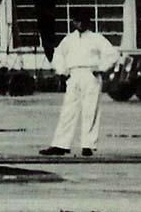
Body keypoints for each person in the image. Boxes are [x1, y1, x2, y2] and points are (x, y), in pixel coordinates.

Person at [40, 8, 120, 157]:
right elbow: (58, 55)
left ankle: (88, 145)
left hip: (90, 74)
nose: (80, 24)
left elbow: (113, 54)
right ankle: (60, 144)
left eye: (83, 21)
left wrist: (101, 68)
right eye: (77, 21)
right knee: (68, 110)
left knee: (90, 110)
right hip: (74, 74)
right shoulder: (69, 39)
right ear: (73, 22)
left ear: (88, 22)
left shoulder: (96, 38)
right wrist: (63, 71)